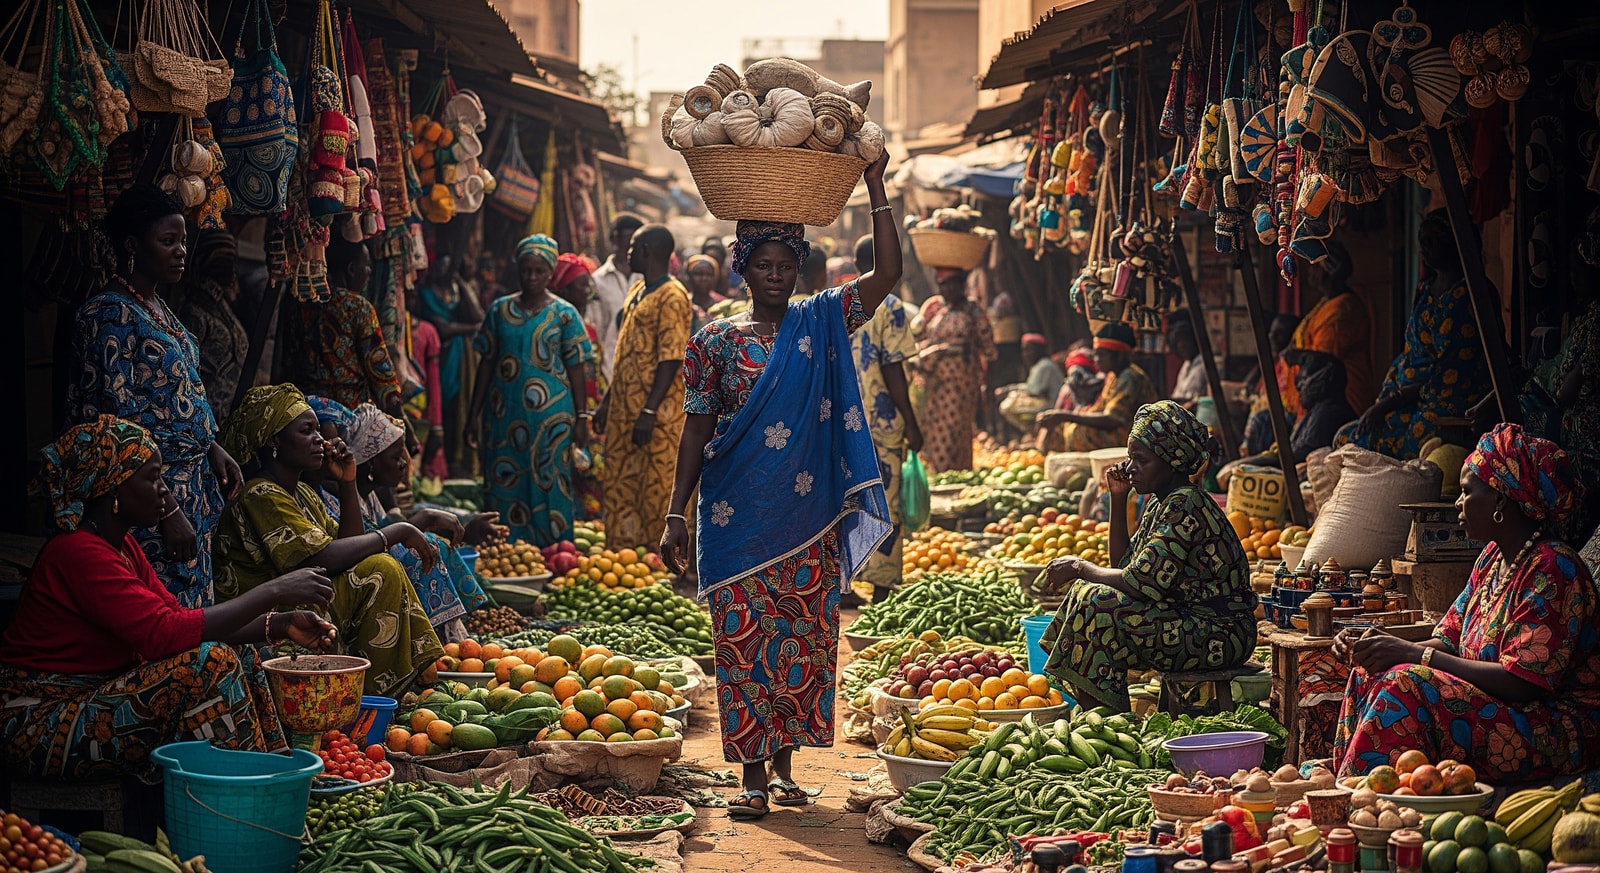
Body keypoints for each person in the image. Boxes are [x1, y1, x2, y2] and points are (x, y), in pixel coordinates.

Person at [660, 152, 899, 818]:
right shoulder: (713, 340)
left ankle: (787, 768)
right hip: (735, 518)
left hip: (808, 517)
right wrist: (674, 514)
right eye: (763, 264)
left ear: (801, 269)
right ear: (743, 268)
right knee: (741, 639)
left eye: (786, 265)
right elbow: (695, 430)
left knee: (803, 638)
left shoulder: (821, 320)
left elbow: (890, 274)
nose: (774, 275)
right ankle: (752, 777)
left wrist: (875, 183)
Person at [0, 416, 337, 780]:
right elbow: (163, 634)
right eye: (152, 478)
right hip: (37, 721)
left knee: (237, 653)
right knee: (210, 663)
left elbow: (179, 619)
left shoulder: (122, 546)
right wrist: (276, 589)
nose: (164, 491)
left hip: (88, 697)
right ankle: (243, 793)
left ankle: (274, 774)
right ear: (114, 489)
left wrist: (281, 624)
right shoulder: (77, 553)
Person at [1332, 423, 1599, 781]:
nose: (1458, 503)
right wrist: (1379, 647)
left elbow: (1523, 682)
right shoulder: (1492, 559)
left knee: (1405, 684)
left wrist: (1413, 655)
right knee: (1371, 672)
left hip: (1550, 725)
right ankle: (1351, 785)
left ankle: (1364, 801)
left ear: (1501, 499)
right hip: (1502, 706)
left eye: (1466, 492)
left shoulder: (1554, 569)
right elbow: (1448, 641)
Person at [68, 183, 244, 608]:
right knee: (162, 614)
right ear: (132, 245)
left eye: (183, 240)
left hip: (193, 488)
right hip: (147, 501)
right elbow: (117, 426)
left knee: (195, 611)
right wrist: (166, 510)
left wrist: (211, 446)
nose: (181, 251)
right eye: (168, 241)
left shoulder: (158, 307)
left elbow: (173, 396)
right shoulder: (108, 315)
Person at [213, 384, 443, 697]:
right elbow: (321, 559)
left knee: (378, 565)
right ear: (273, 441)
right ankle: (375, 695)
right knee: (380, 570)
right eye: (307, 431)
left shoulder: (304, 494)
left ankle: (380, 694)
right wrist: (397, 531)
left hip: (303, 603)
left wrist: (347, 482)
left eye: (318, 431)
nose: (320, 440)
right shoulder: (260, 494)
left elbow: (349, 550)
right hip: (266, 619)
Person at [1038, 401, 1256, 711]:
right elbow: (1124, 567)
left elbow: (1139, 582)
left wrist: (1078, 566)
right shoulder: (1161, 502)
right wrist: (1117, 497)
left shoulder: (1186, 504)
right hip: (1188, 621)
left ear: (1171, 460)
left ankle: (1106, 727)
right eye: (1130, 458)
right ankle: (1097, 724)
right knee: (1086, 594)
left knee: (1097, 604)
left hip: (1221, 633)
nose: (1130, 467)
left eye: (1141, 459)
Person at [468, 235, 593, 546]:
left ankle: (553, 550)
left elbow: (576, 366)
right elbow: (486, 364)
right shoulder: (499, 310)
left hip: (552, 418)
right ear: (518, 270)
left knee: (550, 480)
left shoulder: (565, 314)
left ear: (550, 273)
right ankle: (504, 549)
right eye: (526, 270)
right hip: (502, 414)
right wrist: (473, 414)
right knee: (503, 478)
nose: (532, 277)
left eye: (539, 271)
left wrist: (582, 416)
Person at [1337, 210, 1489, 458]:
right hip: (1406, 399)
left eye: (1434, 239)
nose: (1425, 246)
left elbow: (1449, 375)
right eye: (1423, 239)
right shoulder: (1426, 289)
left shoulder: (1468, 298)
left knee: (1370, 447)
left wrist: (1389, 403)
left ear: (1456, 243)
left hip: (1444, 404)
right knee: (1347, 437)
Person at [338, 404, 498, 630]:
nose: (404, 465)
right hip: (362, 592)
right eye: (396, 458)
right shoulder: (339, 501)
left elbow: (389, 531)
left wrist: (465, 531)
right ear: (372, 461)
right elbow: (371, 548)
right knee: (425, 546)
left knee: (432, 543)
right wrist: (422, 520)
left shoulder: (371, 498)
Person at [596, 224, 693, 551]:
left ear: (649, 251)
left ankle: (660, 559)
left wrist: (649, 410)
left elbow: (671, 358)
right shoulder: (637, 289)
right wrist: (607, 401)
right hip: (626, 410)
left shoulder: (672, 295)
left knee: (657, 485)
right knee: (624, 480)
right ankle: (626, 554)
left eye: (634, 246)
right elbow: (624, 353)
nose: (628, 252)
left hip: (657, 415)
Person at [850, 234, 923, 602]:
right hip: (881, 425)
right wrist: (911, 422)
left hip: (845, 423)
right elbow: (893, 369)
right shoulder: (890, 306)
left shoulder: (842, 303)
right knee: (885, 498)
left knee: (848, 501)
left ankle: (844, 583)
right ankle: (881, 586)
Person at [283, 237, 404, 415]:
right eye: (367, 265)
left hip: (307, 409)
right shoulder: (358, 307)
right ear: (352, 270)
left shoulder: (300, 305)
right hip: (350, 412)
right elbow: (379, 369)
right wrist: (400, 418)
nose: (369, 272)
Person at [910, 268, 997, 473]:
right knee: (934, 428)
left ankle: (955, 472)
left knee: (955, 429)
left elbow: (989, 348)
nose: (948, 289)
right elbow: (919, 336)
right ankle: (940, 474)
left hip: (961, 382)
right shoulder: (937, 310)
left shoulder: (972, 311)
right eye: (944, 284)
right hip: (935, 382)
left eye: (953, 284)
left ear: (962, 286)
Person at [1036, 322, 1158, 453]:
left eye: (1102, 355)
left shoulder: (1129, 376)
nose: (1097, 359)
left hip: (1138, 435)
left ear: (1120, 356)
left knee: (1079, 433)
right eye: (1095, 354)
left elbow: (1112, 419)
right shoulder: (1113, 376)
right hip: (1120, 429)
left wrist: (1067, 416)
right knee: (1062, 426)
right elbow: (1100, 407)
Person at [416, 254, 486, 476]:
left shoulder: (453, 292)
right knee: (439, 406)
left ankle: (456, 459)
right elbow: (444, 329)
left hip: (455, 358)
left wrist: (461, 282)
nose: (444, 269)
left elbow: (478, 316)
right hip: (439, 356)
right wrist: (470, 329)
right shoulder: (426, 295)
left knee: (458, 405)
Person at [552, 253, 608, 522]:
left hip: (590, 409)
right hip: (568, 409)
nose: (588, 291)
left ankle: (589, 529)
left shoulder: (590, 327)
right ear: (564, 290)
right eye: (581, 285)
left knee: (592, 470)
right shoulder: (557, 328)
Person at [1292, 242, 1375, 414]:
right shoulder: (1327, 303)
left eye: (1315, 266)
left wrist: (1297, 356)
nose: (1310, 272)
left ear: (1329, 271)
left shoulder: (1342, 310)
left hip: (1341, 402)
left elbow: (1323, 360)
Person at [177, 229, 250, 420]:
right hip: (205, 418)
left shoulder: (224, 308)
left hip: (231, 417)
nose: (228, 267)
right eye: (221, 258)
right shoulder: (193, 313)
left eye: (231, 259)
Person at [589, 215, 644, 381]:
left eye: (635, 239)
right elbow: (595, 325)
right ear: (615, 238)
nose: (629, 244)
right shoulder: (598, 280)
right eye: (627, 238)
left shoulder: (647, 277)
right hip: (609, 368)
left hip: (644, 369)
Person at [1242, 314, 1303, 456]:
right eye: (1271, 333)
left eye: (1280, 334)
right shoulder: (1275, 363)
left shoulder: (1294, 367)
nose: (1272, 338)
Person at [405, 283, 449, 480]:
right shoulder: (385, 328)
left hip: (419, 408)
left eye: (412, 296)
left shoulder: (427, 331)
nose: (407, 300)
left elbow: (433, 382)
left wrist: (437, 424)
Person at [1166, 312, 1211, 405]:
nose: (1181, 345)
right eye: (1177, 341)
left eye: (1184, 338)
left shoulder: (1206, 364)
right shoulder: (1186, 365)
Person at [684, 254, 723, 332]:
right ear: (689, 277)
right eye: (698, 274)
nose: (704, 278)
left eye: (709, 274)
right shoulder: (684, 303)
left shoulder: (723, 304)